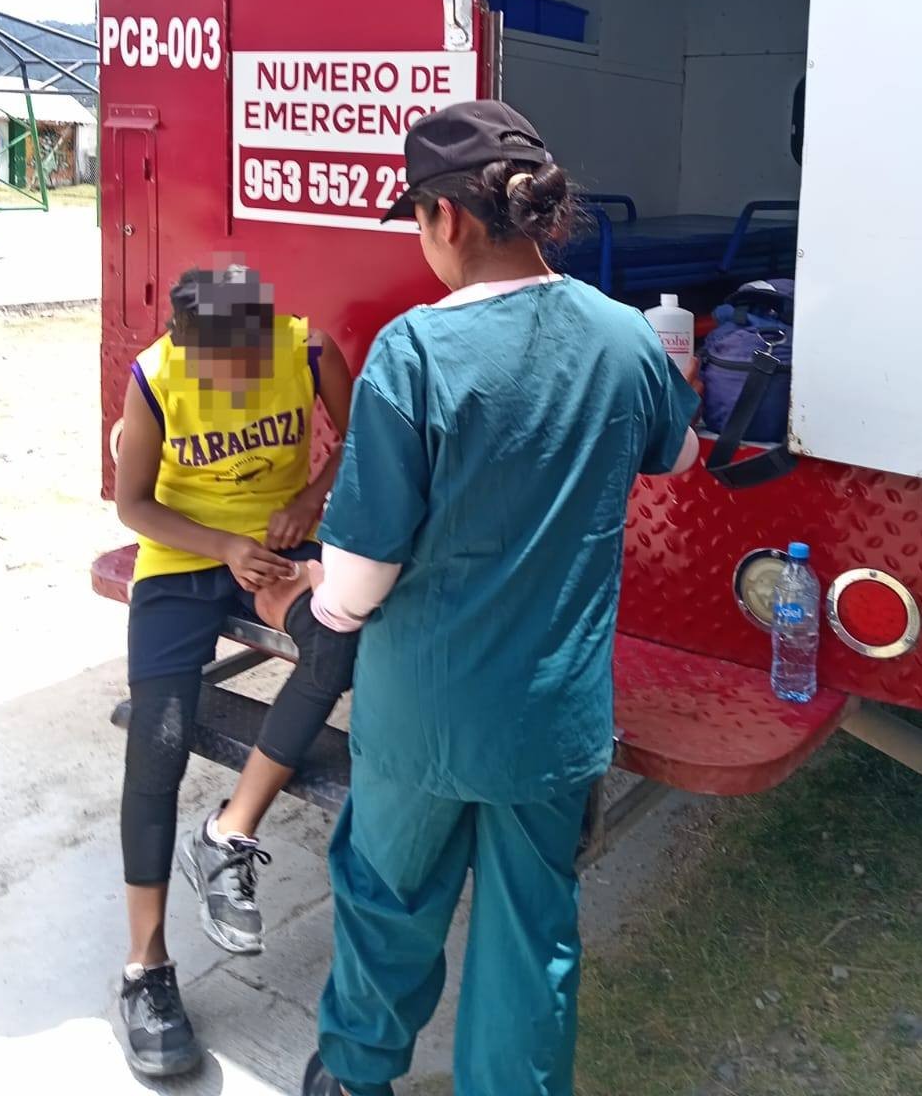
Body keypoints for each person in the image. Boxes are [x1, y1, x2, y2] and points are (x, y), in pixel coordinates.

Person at [301, 100, 701, 1096]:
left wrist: (318, 593)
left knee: (389, 895)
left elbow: (355, 582)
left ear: (447, 219)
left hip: (424, 714)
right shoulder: (623, 338)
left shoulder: (413, 352)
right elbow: (680, 450)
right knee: (532, 931)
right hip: (551, 719)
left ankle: (354, 1074)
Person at [114, 263, 355, 1078]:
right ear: (186, 348)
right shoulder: (155, 378)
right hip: (183, 556)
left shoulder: (309, 350)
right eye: (218, 367)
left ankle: (228, 833)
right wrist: (220, 546)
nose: (238, 381)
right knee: (160, 736)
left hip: (278, 551)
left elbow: (361, 439)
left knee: (337, 639)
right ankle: (146, 970)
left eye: (247, 360)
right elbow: (132, 503)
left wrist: (313, 500)